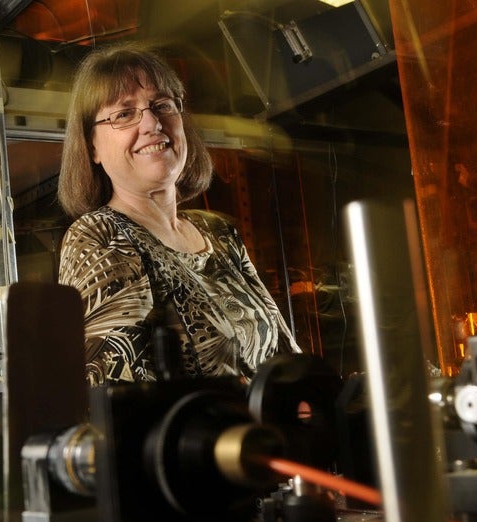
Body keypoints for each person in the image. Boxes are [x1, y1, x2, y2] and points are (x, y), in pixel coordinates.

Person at [57, 43, 299, 386]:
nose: (152, 123)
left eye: (162, 105)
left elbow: (286, 352)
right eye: (124, 114)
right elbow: (118, 393)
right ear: (92, 146)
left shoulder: (218, 233)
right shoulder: (99, 235)